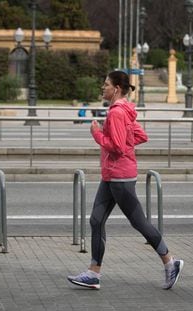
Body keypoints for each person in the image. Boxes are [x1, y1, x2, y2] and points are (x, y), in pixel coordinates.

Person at [67, 70, 183, 290]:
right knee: (96, 220)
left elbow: (118, 146)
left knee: (138, 222)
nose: (103, 87)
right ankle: (93, 273)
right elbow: (139, 136)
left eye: (106, 84)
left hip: (120, 177)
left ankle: (170, 262)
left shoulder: (117, 113)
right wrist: (120, 139)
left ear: (116, 89)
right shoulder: (123, 112)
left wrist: (97, 133)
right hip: (111, 175)